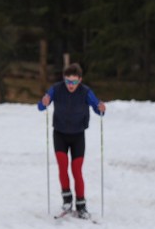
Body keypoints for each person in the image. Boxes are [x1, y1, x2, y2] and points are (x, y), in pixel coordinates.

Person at [38, 63, 106, 218]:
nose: (71, 85)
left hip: (78, 136)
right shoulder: (56, 89)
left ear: (80, 80)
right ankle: (67, 199)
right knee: (62, 166)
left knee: (76, 170)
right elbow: (41, 106)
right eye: (68, 81)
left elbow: (97, 108)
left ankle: (81, 205)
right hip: (60, 134)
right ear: (64, 79)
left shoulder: (86, 92)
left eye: (74, 82)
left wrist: (101, 108)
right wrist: (44, 102)